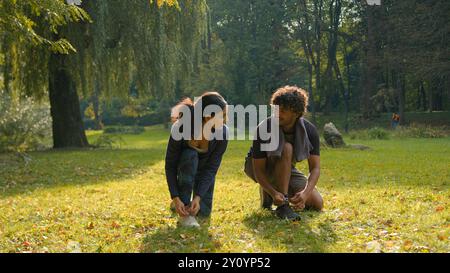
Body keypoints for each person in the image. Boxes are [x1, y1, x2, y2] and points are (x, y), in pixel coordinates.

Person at [244, 86, 323, 221]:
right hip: (258, 167)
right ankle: (282, 205)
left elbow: (315, 168)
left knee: (317, 203)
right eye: (276, 109)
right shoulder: (264, 128)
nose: (277, 113)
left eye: (283, 110)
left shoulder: (309, 130)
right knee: (286, 148)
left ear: (296, 113)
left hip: (286, 168)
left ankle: (273, 193)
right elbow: (258, 169)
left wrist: (304, 194)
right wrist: (274, 192)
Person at [165, 92, 229, 227]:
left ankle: (187, 202)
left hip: (203, 170)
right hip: (185, 167)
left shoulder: (222, 133)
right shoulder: (180, 128)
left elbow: (211, 168)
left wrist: (198, 197)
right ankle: (182, 204)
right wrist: (176, 197)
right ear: (207, 117)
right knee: (190, 155)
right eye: (221, 116)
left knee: (203, 213)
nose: (225, 120)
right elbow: (170, 166)